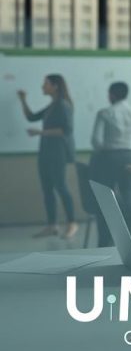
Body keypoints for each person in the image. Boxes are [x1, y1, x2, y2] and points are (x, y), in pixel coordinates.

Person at [18, 74, 77, 239]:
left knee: (61, 187)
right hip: (45, 152)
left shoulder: (63, 105)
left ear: (55, 86)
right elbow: (31, 117)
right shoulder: (51, 105)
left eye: (45, 84)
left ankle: (72, 223)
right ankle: (52, 226)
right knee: (47, 190)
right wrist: (23, 100)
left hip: (58, 152)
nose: (42, 87)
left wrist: (40, 132)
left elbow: (66, 130)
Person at [89, 81, 131, 247]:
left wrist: (106, 151)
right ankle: (130, 239)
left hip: (107, 158)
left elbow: (96, 140)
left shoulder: (105, 112)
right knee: (129, 196)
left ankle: (104, 240)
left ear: (112, 95)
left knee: (105, 198)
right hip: (129, 157)